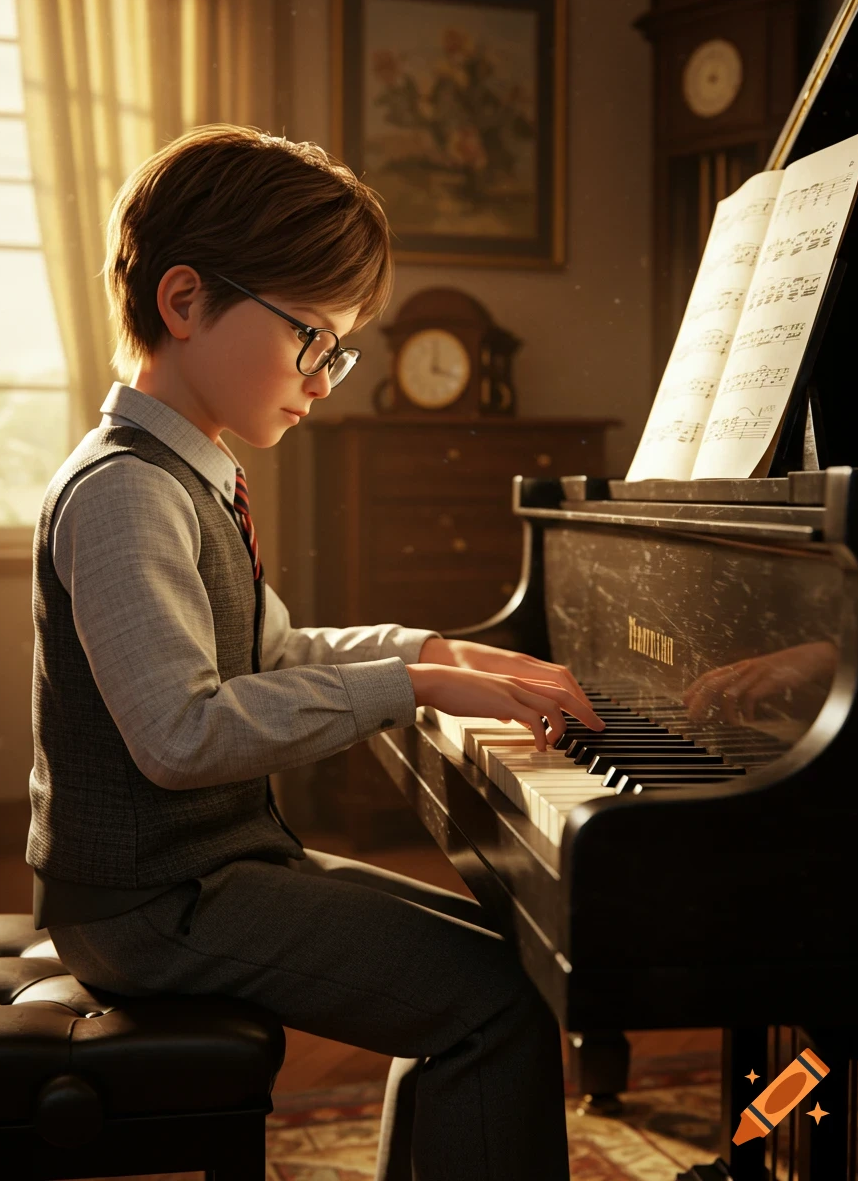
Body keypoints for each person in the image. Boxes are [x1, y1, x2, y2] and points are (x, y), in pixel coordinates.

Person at [29, 125, 605, 1181]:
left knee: (511, 967)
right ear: (185, 299)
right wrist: (414, 683)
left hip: (206, 871)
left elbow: (274, 646)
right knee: (491, 1002)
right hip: (153, 905)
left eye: (338, 347)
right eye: (311, 337)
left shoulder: (187, 475)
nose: (326, 376)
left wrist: (441, 647)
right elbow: (179, 733)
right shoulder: (123, 492)